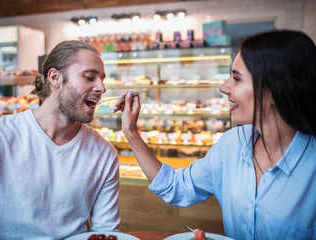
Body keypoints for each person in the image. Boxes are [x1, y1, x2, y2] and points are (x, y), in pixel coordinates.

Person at [115, 30, 316, 239]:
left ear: (274, 88)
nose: (224, 87)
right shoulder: (232, 144)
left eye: (236, 79)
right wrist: (131, 132)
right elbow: (176, 187)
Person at [0, 40, 120, 239]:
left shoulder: (104, 154)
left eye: (102, 79)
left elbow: (106, 232)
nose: (101, 88)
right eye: (89, 77)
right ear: (55, 77)